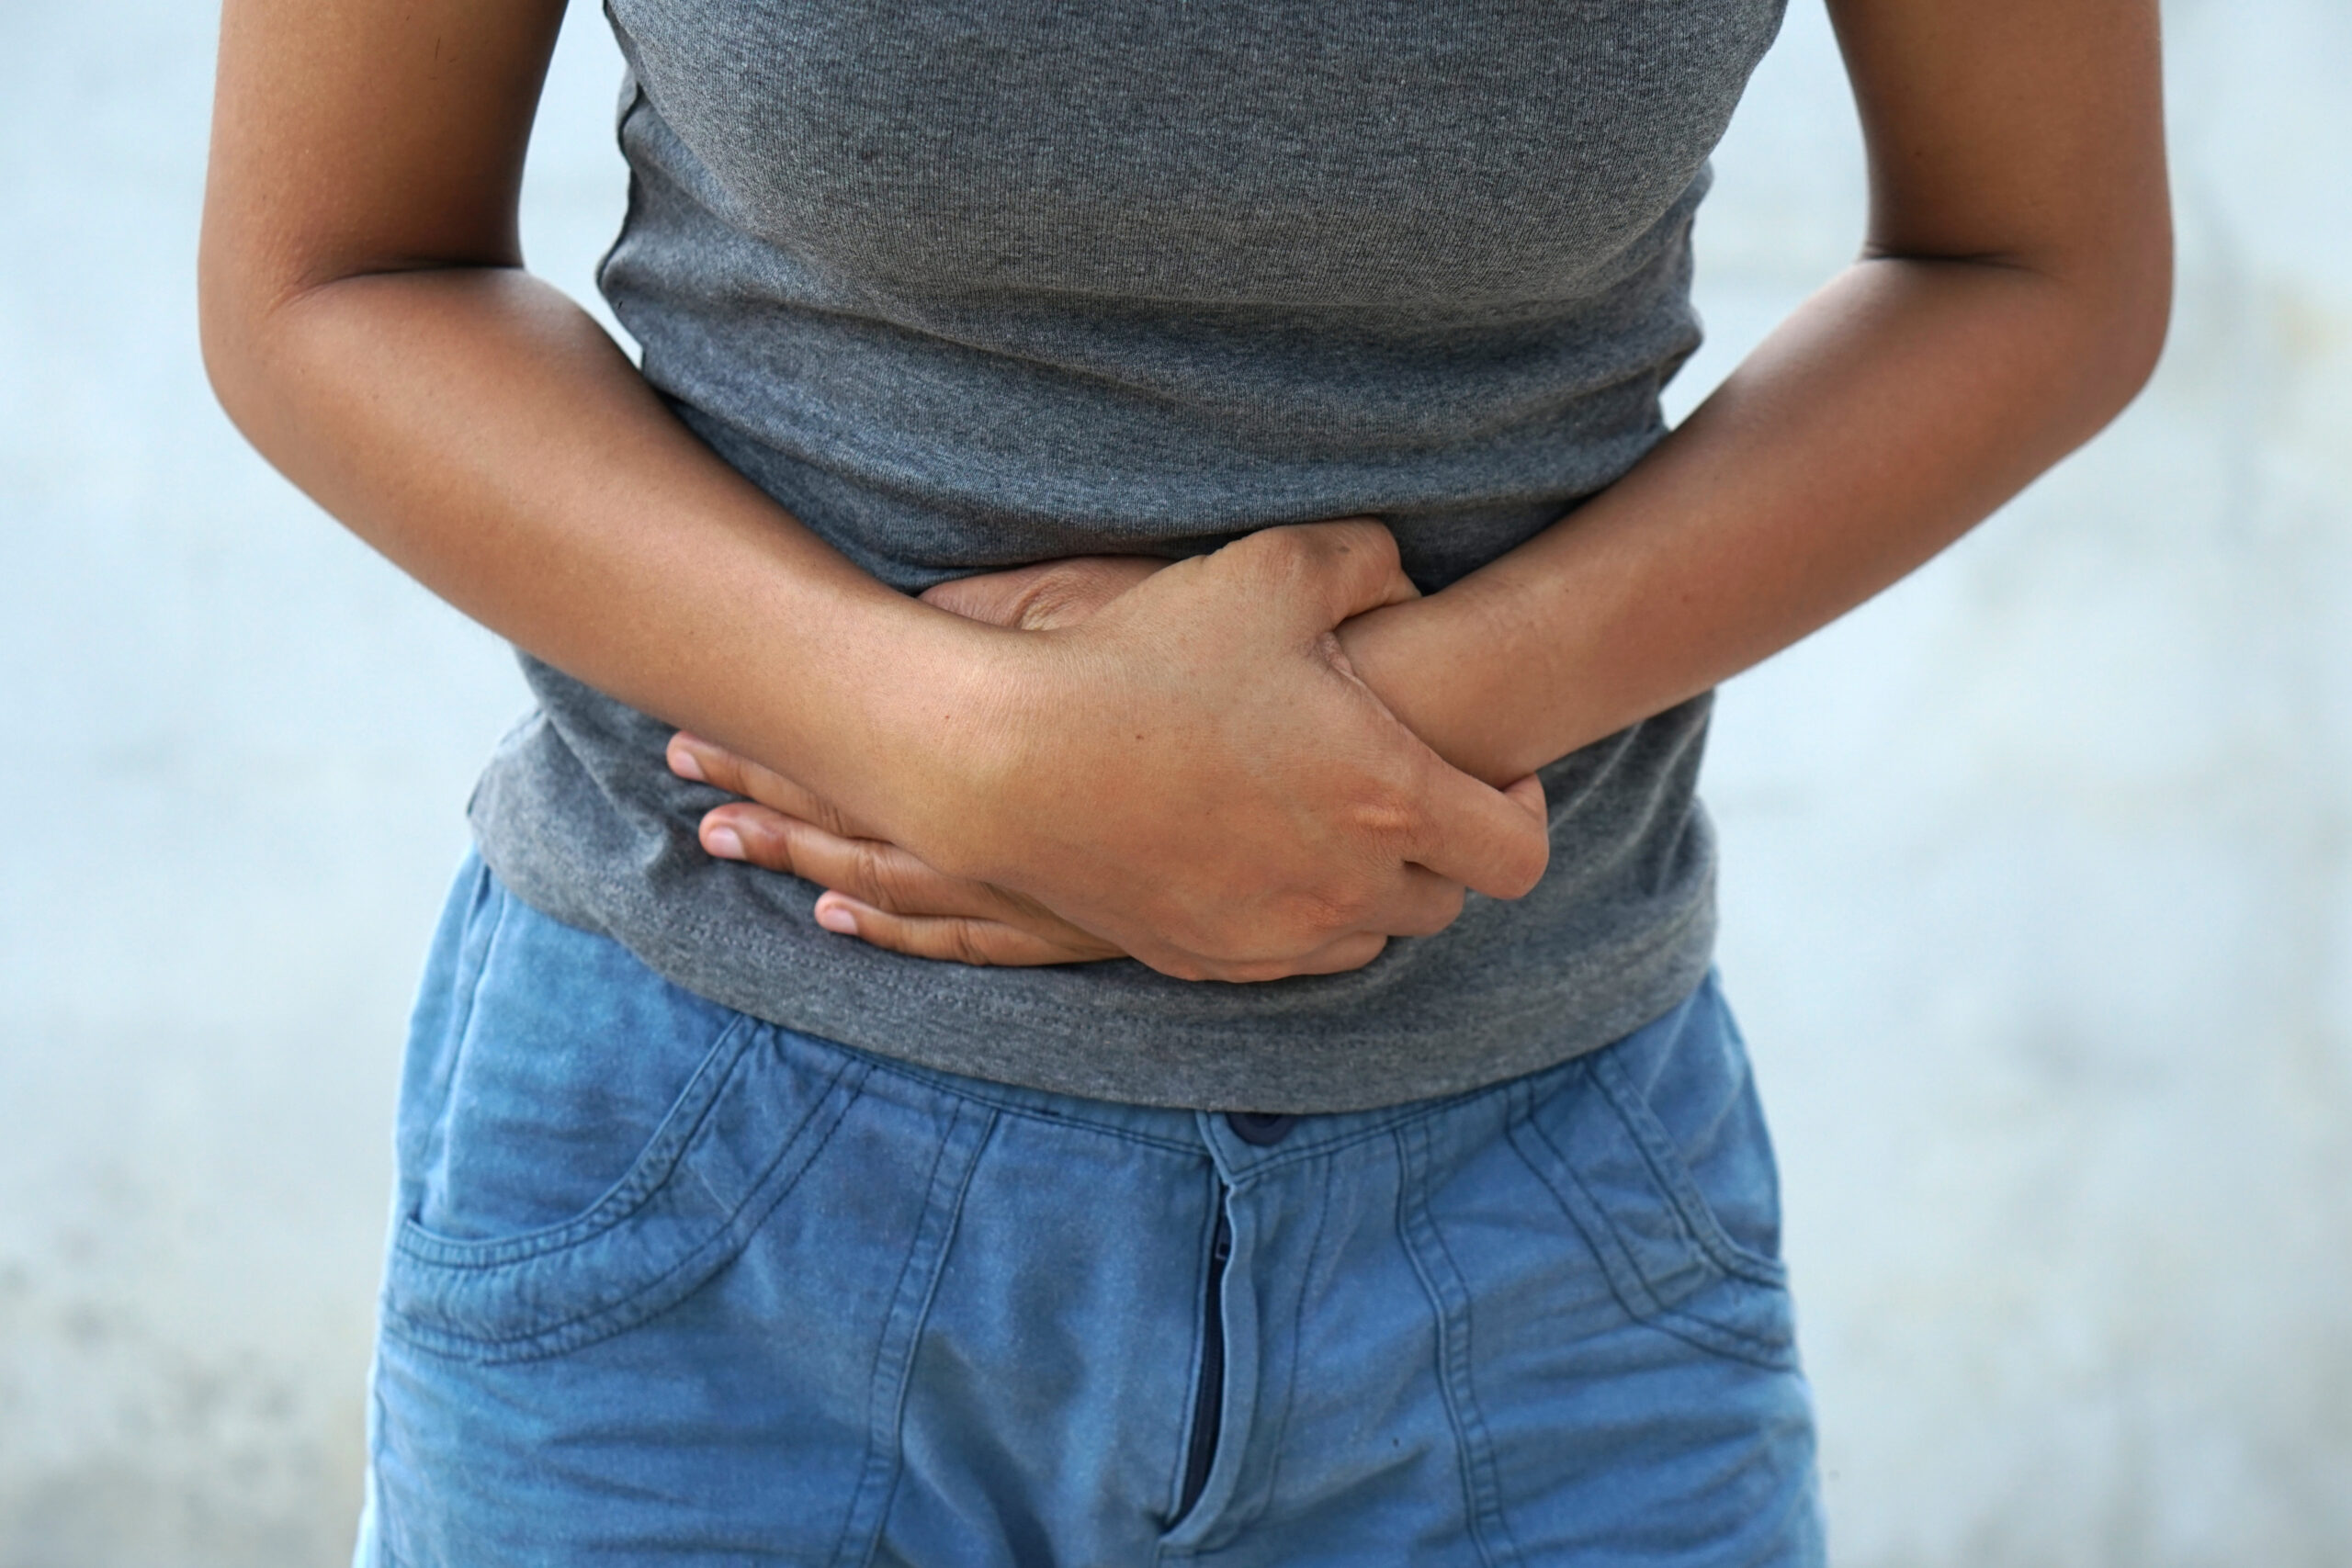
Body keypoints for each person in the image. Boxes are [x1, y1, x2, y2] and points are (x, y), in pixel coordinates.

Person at [199, 0, 2169, 1560]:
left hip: (1530, 1223)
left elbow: (2037, 259)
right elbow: (330, 274)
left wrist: (1393, 725)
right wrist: (963, 743)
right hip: (709, 1207)